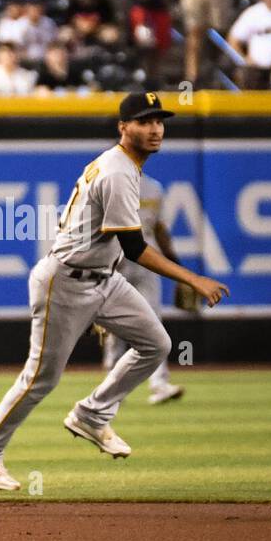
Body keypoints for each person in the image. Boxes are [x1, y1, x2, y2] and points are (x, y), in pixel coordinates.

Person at [0, 92, 229, 490]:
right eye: (144, 121)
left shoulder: (129, 168)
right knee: (41, 378)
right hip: (66, 282)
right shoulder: (118, 171)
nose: (154, 128)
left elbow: (120, 247)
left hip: (103, 278)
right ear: (124, 127)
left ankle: (93, 414)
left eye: (159, 121)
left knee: (156, 344)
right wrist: (193, 278)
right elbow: (135, 248)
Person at [99, 169, 185, 405]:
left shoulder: (154, 187)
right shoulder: (108, 182)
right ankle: (112, 387)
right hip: (115, 259)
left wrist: (174, 264)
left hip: (147, 258)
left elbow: (159, 228)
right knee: (116, 324)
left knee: (153, 321)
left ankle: (159, 384)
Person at [16, 0, 59, 64]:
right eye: (32, 7)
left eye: (37, 6)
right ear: (26, 8)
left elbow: (54, 44)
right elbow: (16, 47)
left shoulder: (49, 22)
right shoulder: (20, 24)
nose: (35, 10)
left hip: (47, 61)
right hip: (25, 61)